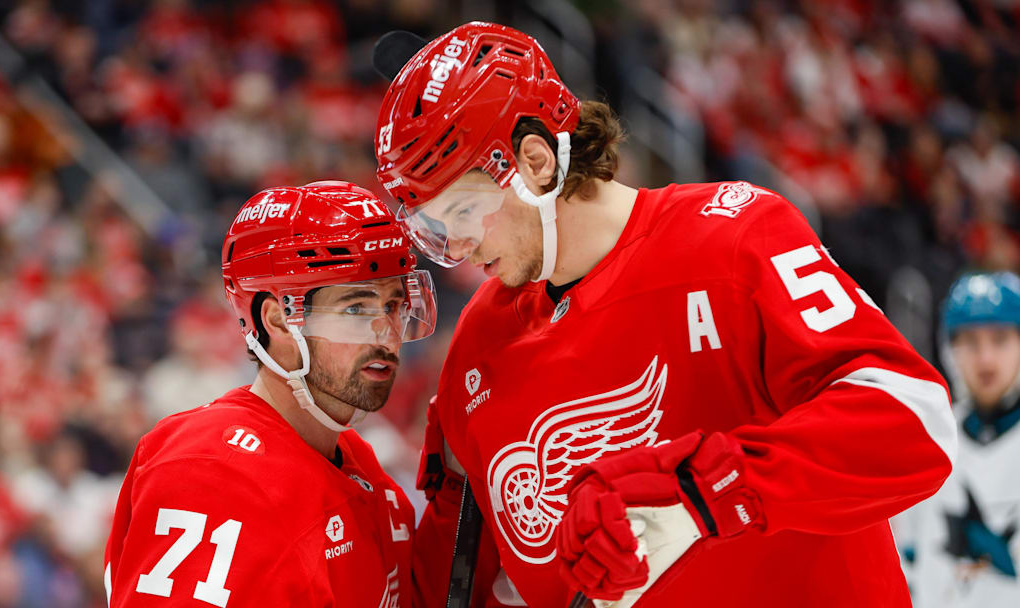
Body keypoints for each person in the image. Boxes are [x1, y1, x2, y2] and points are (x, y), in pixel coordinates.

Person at [373, 22, 957, 607]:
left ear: (534, 161)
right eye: (435, 231)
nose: (460, 248)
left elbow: (914, 422)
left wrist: (710, 492)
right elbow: (468, 579)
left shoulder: (736, 239)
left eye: (466, 211)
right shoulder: (481, 340)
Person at [103, 181, 437, 607]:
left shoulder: (365, 469)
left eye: (393, 305)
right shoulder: (210, 472)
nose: (387, 337)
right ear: (277, 321)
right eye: (356, 308)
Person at [894, 273, 1020, 607]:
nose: (985, 360)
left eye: (1000, 339)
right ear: (949, 348)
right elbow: (903, 564)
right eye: (970, 342)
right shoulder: (924, 440)